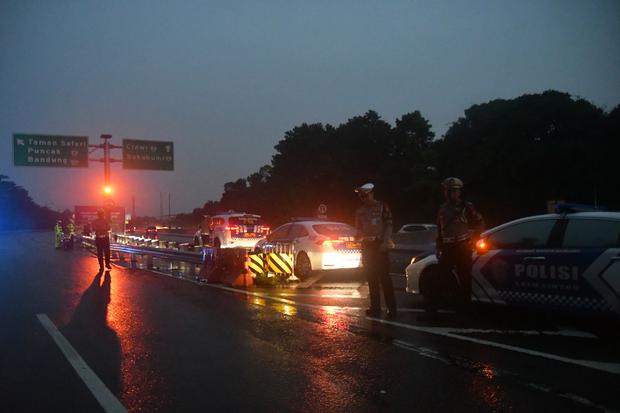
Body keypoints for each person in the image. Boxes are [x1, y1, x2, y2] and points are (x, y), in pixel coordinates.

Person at [436, 177, 484, 308]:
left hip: (462, 246)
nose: (450, 193)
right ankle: (435, 309)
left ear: (459, 192)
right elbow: (440, 230)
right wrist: (438, 247)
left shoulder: (466, 207)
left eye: (453, 191)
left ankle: (464, 310)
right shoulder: (442, 208)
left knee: (465, 280)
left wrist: (473, 241)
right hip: (447, 247)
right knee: (440, 277)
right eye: (447, 190)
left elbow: (480, 223)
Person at [354, 183, 397, 319]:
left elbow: (389, 225)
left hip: (380, 245)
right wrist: (357, 237)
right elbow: (359, 229)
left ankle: (392, 308)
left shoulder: (383, 207)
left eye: (365, 196)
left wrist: (385, 241)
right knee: (371, 278)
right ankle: (375, 308)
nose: (363, 199)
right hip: (367, 246)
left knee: (385, 278)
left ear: (372, 194)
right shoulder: (359, 211)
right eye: (361, 197)